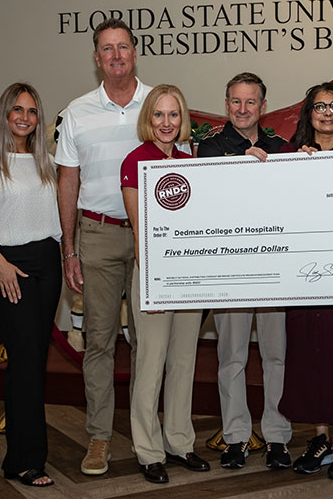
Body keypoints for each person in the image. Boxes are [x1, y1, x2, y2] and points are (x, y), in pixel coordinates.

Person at [54, 18, 150, 475]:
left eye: (123, 47)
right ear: (96, 58)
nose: (115, 55)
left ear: (135, 52)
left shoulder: (159, 105)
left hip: (154, 237)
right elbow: (67, 180)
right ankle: (99, 438)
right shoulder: (76, 112)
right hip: (98, 236)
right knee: (99, 343)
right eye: (106, 49)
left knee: (151, 342)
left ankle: (154, 435)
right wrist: (68, 248)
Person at [0, 83, 61, 487]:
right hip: (6, 264)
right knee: (22, 360)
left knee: (35, 361)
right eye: (17, 109)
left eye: (32, 111)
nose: (24, 117)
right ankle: (23, 461)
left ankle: (30, 454)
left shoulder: (46, 162)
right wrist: (0, 263)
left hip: (46, 264)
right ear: (4, 113)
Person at [197, 73, 291, 470]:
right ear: (226, 103)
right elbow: (204, 199)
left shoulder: (283, 149)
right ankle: (235, 437)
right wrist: (238, 165)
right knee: (231, 358)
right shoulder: (208, 149)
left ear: (263, 106)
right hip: (230, 271)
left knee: (277, 357)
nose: (242, 109)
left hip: (274, 270)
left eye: (250, 102)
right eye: (235, 101)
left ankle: (277, 438)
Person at [276, 82, 333, 481]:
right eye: (319, 106)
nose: (327, 113)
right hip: (302, 280)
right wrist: (288, 170)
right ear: (308, 114)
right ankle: (321, 439)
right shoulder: (290, 158)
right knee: (308, 356)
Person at [121, 84, 210, 484]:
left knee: (183, 363)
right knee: (150, 363)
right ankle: (148, 450)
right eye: (159, 114)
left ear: (183, 119)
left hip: (188, 277)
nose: (167, 123)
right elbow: (141, 233)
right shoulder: (135, 162)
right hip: (155, 273)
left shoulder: (190, 161)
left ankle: (179, 442)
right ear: (148, 119)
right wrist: (155, 285)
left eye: (174, 115)